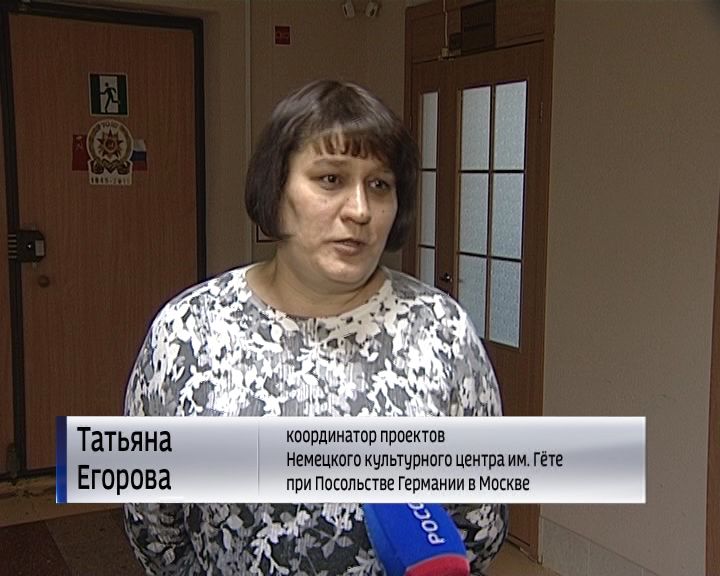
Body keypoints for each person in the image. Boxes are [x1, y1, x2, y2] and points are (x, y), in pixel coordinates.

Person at [123, 80, 507, 575]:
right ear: (276, 189)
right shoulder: (187, 331)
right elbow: (153, 521)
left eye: (380, 185)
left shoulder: (441, 331)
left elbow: (478, 522)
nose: (360, 210)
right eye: (330, 179)